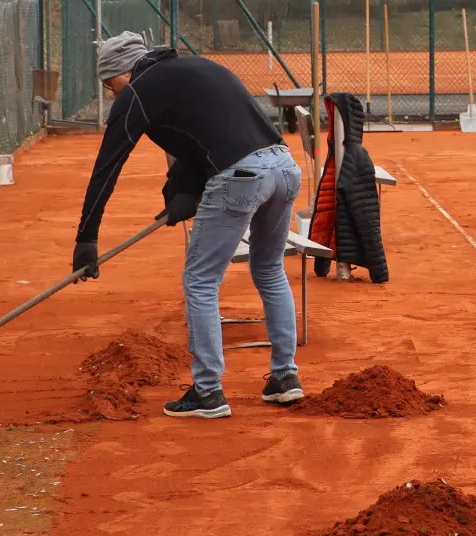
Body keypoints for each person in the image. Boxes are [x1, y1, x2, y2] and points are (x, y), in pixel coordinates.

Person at [72, 32, 305, 420]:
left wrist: (87, 237)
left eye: (110, 85)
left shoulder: (137, 92)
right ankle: (284, 377)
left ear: (123, 72)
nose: (113, 95)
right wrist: (182, 191)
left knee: (200, 280)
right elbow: (205, 133)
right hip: (284, 167)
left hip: (241, 177)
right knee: (269, 269)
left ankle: (208, 391)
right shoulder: (194, 67)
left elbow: (107, 167)